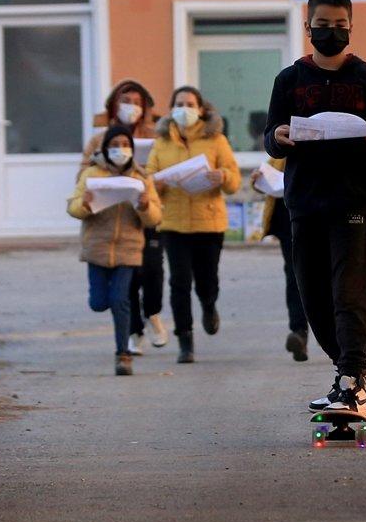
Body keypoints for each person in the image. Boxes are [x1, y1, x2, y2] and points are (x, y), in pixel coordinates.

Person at [263, 0, 366, 418]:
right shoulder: (289, 80)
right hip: (304, 203)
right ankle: (353, 374)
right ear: (308, 28)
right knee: (314, 297)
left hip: (354, 200)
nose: (331, 33)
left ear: (350, 28)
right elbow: (272, 135)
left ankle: (350, 381)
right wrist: (277, 137)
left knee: (351, 292)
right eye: (322, 26)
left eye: (339, 26)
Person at [146, 86, 241, 364]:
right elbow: (149, 178)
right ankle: (185, 340)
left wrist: (221, 176)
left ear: (200, 109)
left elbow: (234, 180)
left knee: (206, 279)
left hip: (209, 223)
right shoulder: (161, 141)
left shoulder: (216, 140)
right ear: (171, 108)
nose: (184, 109)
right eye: (179, 104)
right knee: (179, 283)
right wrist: (157, 183)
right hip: (173, 224)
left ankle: (209, 304)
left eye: (189, 104)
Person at [67, 125, 162, 376]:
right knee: (99, 303)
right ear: (105, 148)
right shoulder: (90, 174)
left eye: (125, 144)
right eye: (114, 145)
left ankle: (123, 354)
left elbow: (155, 217)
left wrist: (144, 206)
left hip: (128, 250)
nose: (120, 149)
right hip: (96, 249)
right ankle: (108, 311)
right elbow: (73, 207)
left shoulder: (141, 177)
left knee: (120, 300)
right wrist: (85, 204)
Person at [81, 78, 166, 355]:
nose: (130, 108)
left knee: (152, 271)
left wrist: (146, 178)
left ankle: (151, 313)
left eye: (136, 103)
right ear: (114, 105)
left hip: (146, 210)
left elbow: (166, 167)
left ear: (146, 108)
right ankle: (133, 331)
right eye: (125, 101)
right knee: (125, 276)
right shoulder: (98, 139)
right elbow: (81, 177)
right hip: (112, 214)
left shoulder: (155, 137)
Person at [250, 156, 309, 362]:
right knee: (295, 277)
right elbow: (270, 171)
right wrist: (258, 180)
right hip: (288, 223)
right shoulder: (284, 142)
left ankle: (335, 334)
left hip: (319, 218)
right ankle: (299, 332)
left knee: (322, 277)